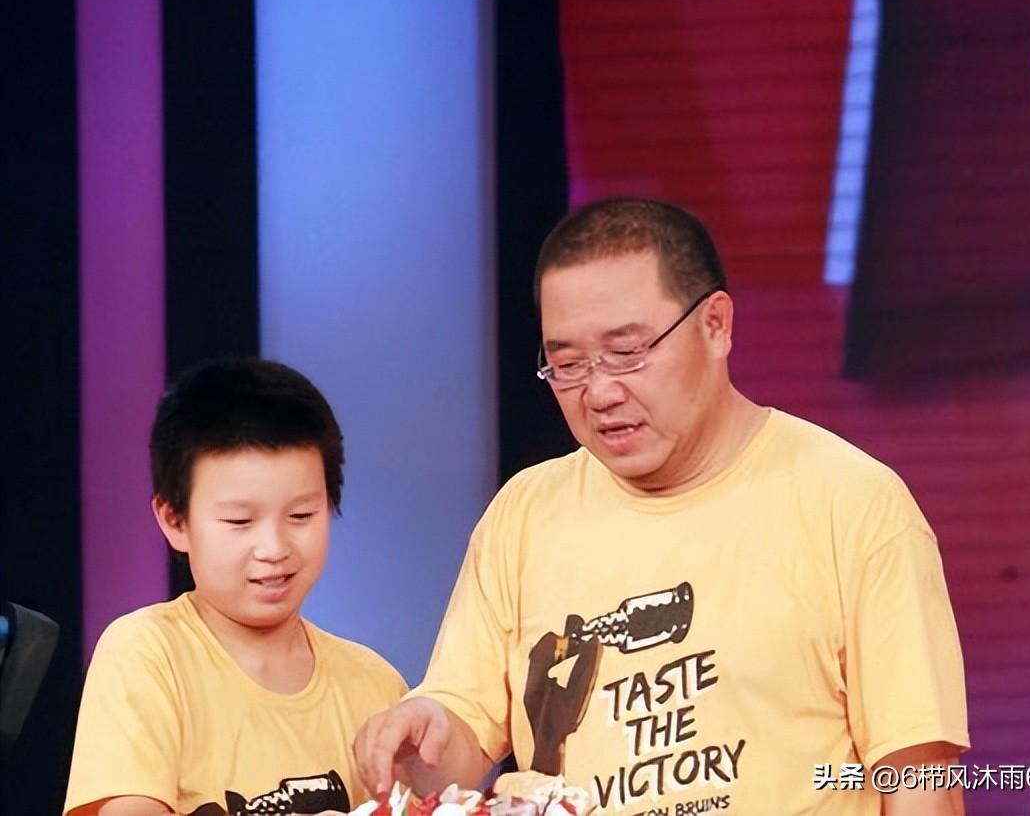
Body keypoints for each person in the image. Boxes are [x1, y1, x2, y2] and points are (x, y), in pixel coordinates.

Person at [356, 198, 969, 816]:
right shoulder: (524, 514)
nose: (599, 392)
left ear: (716, 325)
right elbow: (457, 743)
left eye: (627, 353)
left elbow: (918, 777)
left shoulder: (852, 503)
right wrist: (421, 729)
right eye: (567, 365)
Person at [65, 357, 406, 816]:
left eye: (301, 515)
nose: (274, 548)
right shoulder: (146, 654)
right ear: (175, 520)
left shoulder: (375, 684)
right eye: (240, 521)